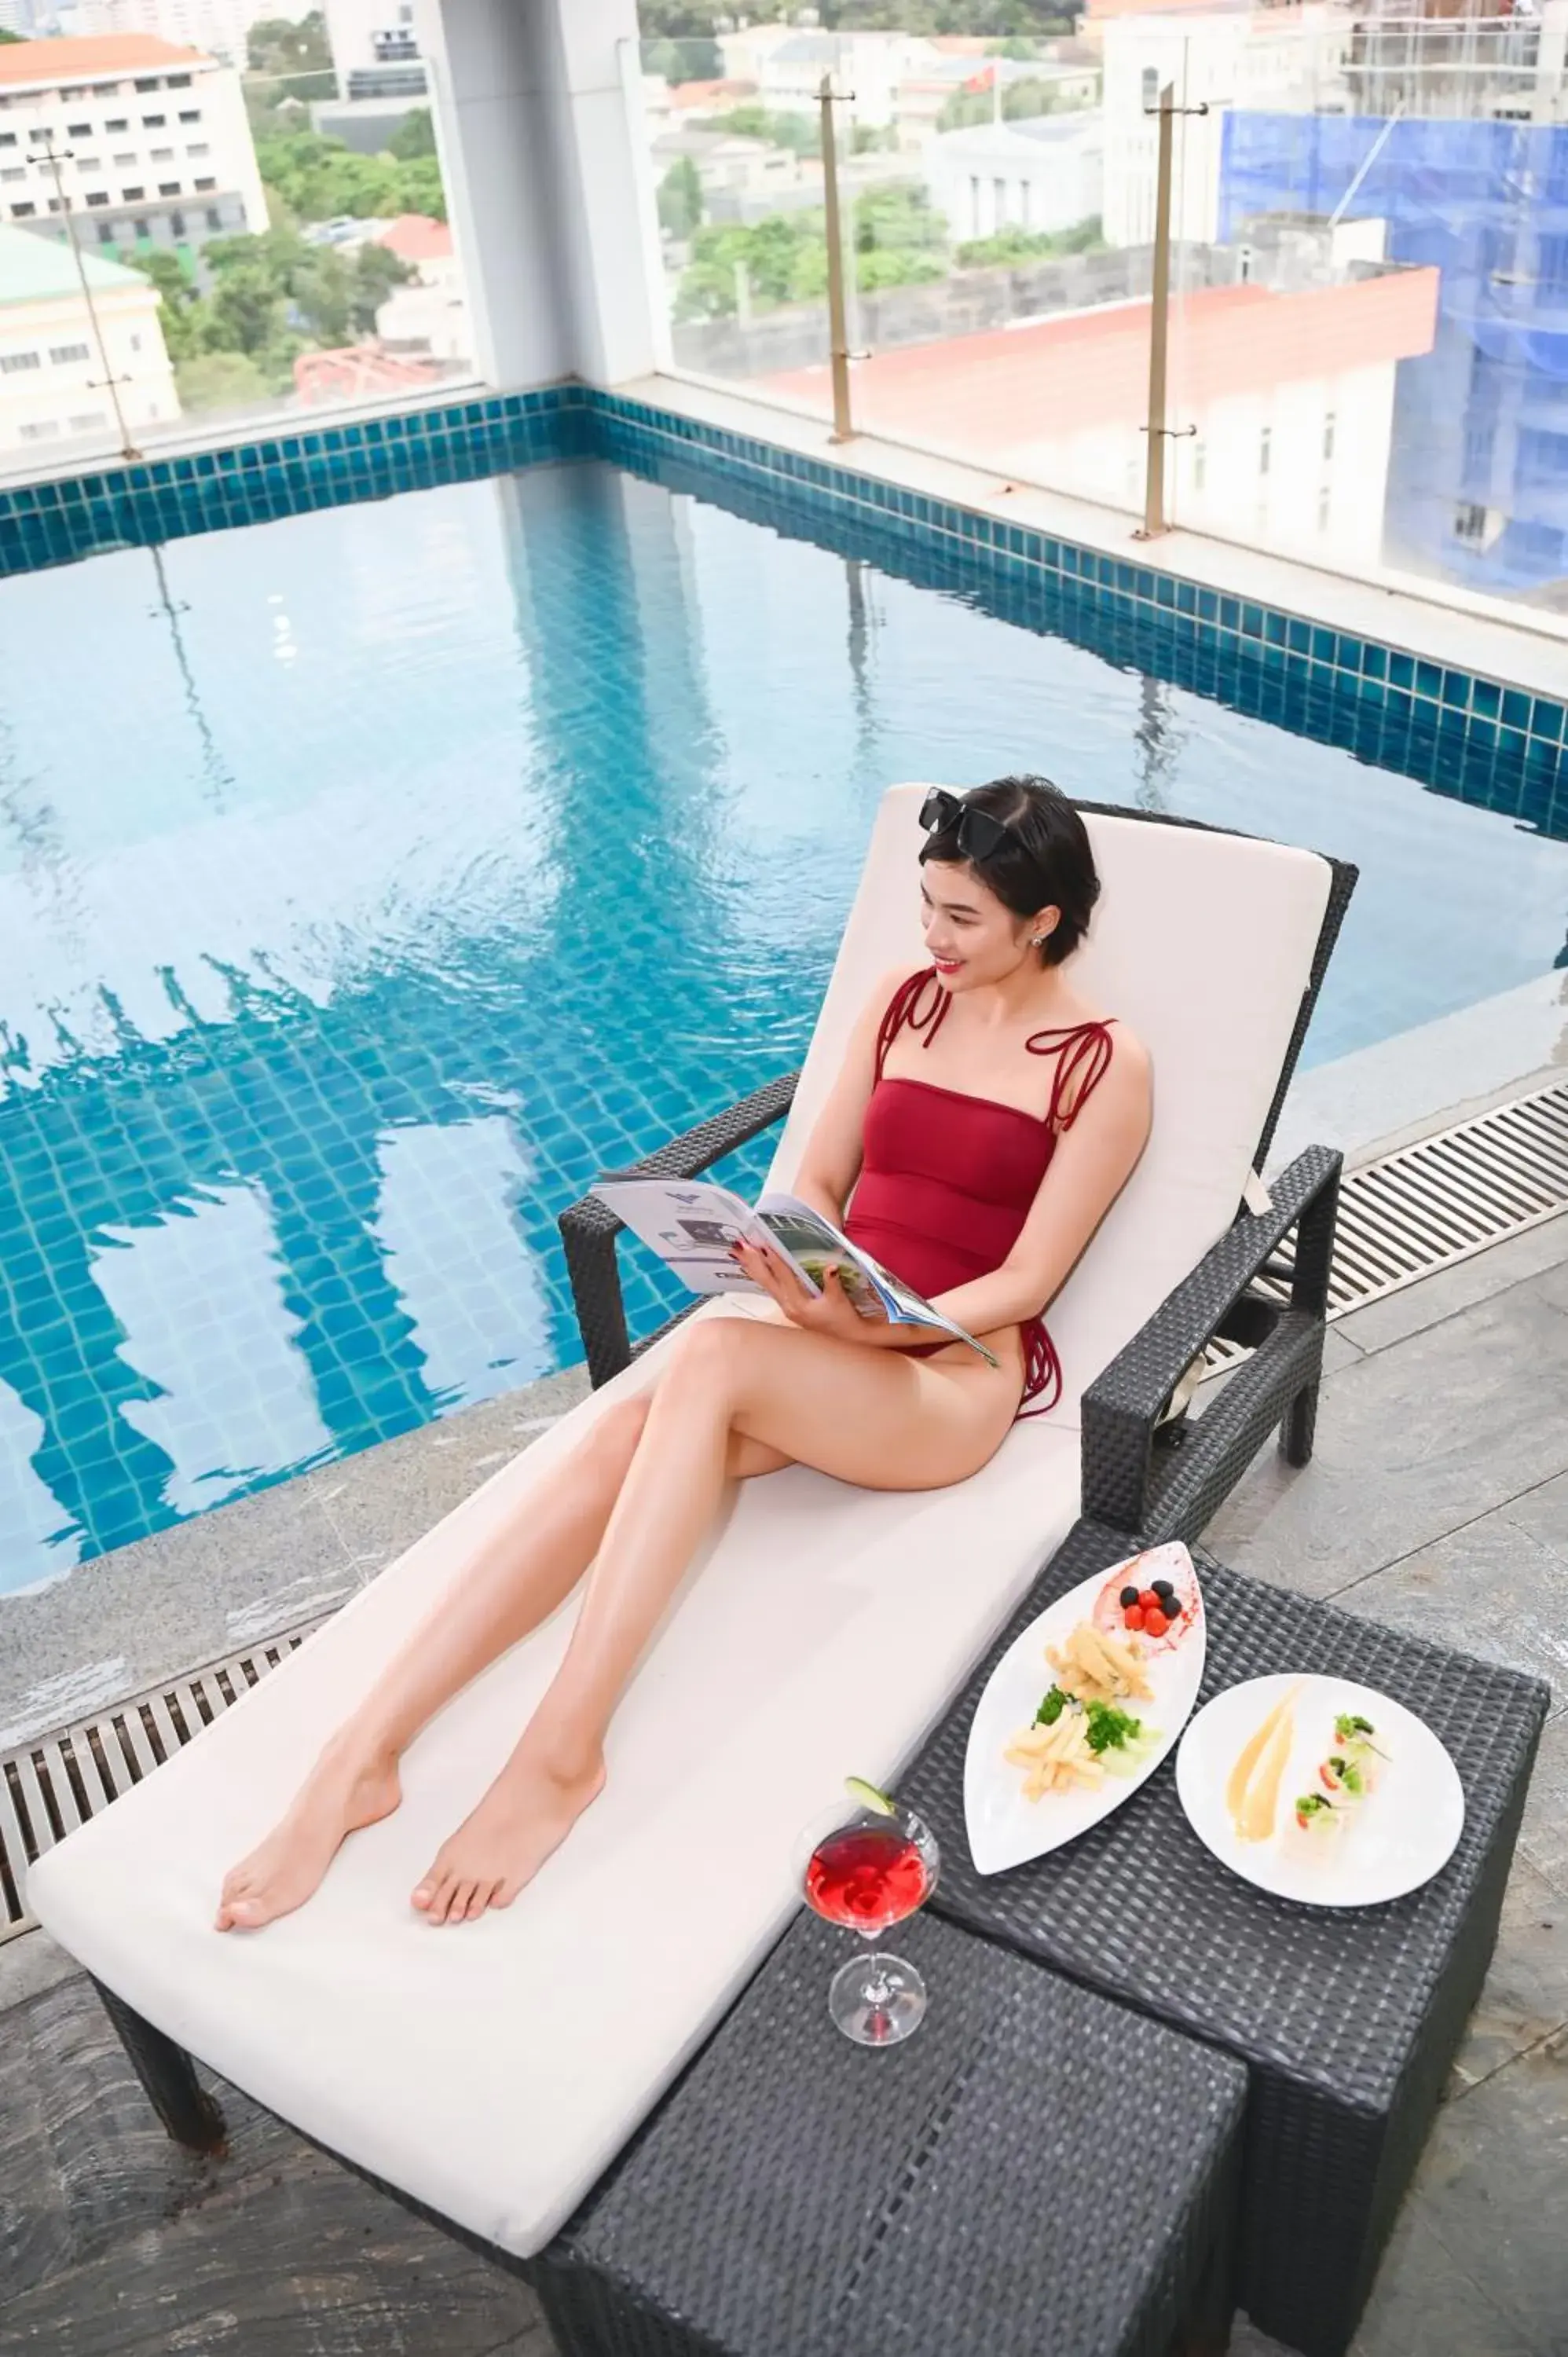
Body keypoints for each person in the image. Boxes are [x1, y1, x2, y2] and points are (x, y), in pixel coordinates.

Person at [216, 776, 1152, 1934]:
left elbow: (1029, 1282)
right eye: (927, 907)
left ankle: (560, 1755)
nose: (932, 937)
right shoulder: (903, 1006)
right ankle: (364, 1751)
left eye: (962, 919)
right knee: (629, 1428)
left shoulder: (1103, 1066)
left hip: (949, 1378)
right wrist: (797, 1260)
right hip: (831, 1335)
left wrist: (866, 1323)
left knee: (702, 1366)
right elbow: (814, 1178)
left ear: (1043, 921)